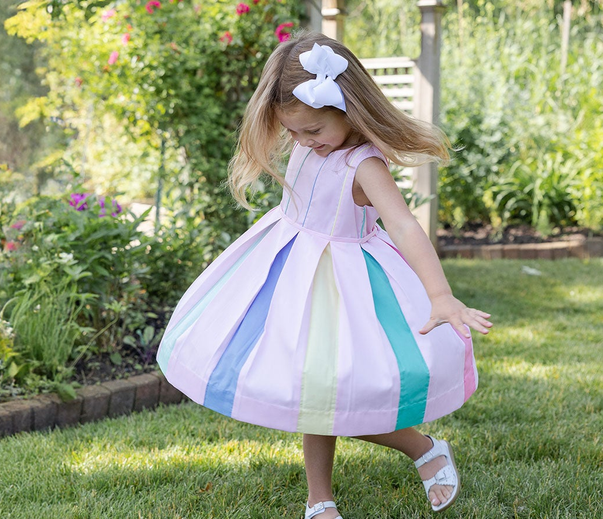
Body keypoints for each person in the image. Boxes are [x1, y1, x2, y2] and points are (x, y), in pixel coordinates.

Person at [155, 33, 492, 519]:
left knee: (335, 389)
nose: (302, 142)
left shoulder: (364, 163)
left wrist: (440, 295)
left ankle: (422, 448)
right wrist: (304, 137)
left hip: (345, 284)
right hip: (290, 270)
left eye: (312, 130)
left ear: (348, 109)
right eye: (293, 133)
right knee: (313, 384)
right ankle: (320, 498)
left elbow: (402, 224)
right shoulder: (308, 141)